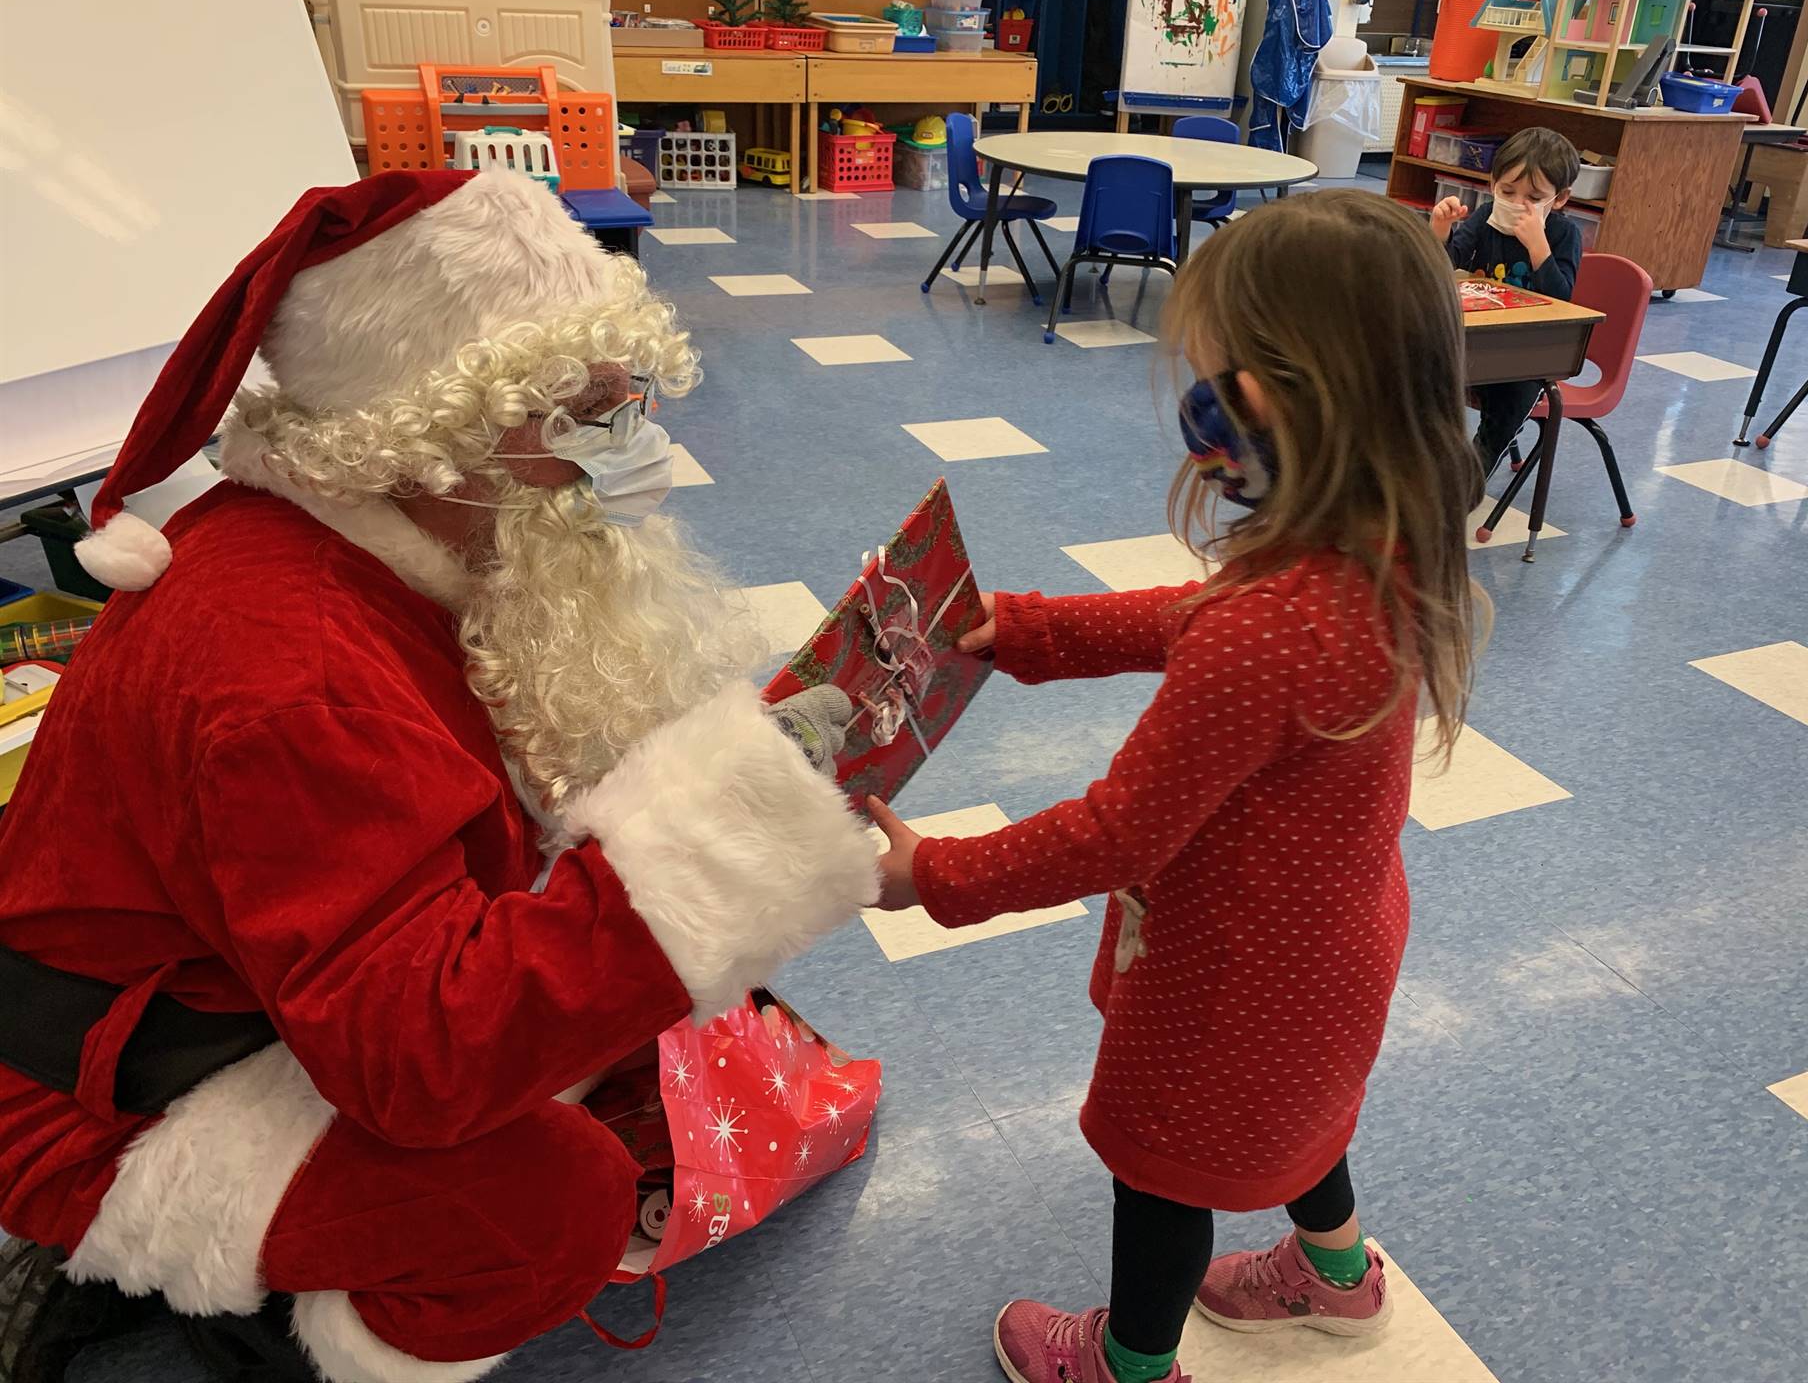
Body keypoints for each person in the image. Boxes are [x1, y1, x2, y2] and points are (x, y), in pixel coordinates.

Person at [0, 171, 878, 1383]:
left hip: (249, 992)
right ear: (425, 430)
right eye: (577, 413)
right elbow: (419, 1069)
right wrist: (716, 842)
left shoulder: (387, 544)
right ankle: (285, 1347)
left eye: (626, 402)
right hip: (109, 1091)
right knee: (548, 1208)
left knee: (627, 1015)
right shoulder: (292, 670)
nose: (628, 449)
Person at [867, 191, 1488, 1383]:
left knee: (1165, 1166)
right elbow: (1200, 620)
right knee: (1301, 1117)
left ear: (1268, 401)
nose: (1196, 400)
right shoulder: (1383, 538)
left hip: (1228, 975)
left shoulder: (1275, 620)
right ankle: (1335, 1279)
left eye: (1211, 372)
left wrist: (928, 874)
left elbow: (1110, 834)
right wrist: (1035, 631)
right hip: (1334, 943)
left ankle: (1129, 1364)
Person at [1429, 126, 1585, 476]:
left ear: (1558, 199)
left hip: (1529, 354)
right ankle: (1422, 465)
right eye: (1507, 191)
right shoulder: (1486, 219)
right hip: (1477, 342)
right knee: (1419, 371)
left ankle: (1466, 480)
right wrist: (1440, 230)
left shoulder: (1564, 234)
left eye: (1533, 197)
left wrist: (1538, 247)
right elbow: (1442, 267)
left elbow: (1561, 301)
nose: (1517, 204)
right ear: (1493, 185)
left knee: (1511, 397)